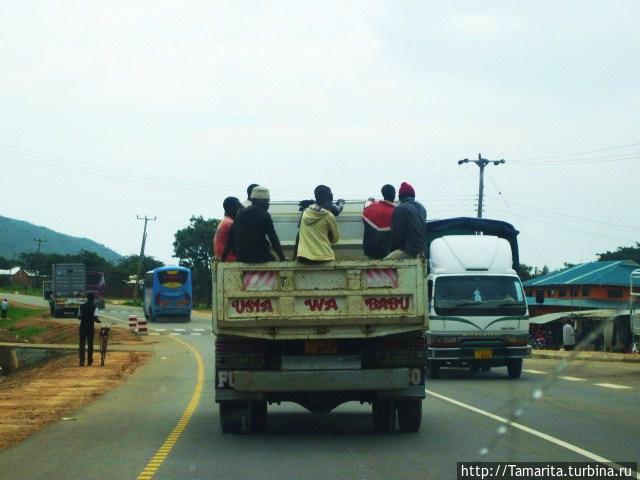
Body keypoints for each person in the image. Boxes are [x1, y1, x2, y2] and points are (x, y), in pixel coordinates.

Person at [222, 186, 286, 263]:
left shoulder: (240, 215)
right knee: (272, 258)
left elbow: (230, 241)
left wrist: (223, 259)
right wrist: (282, 258)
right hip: (261, 258)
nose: (268, 205)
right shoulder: (264, 215)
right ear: (257, 201)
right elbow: (273, 238)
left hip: (242, 259)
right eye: (266, 201)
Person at [296, 185, 340, 263]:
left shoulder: (305, 212)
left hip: (304, 258)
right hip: (324, 257)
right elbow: (335, 239)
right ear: (329, 197)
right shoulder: (328, 215)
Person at [384, 182, 427, 259]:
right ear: (413, 196)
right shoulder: (422, 208)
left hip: (408, 251)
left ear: (400, 197)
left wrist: (390, 250)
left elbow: (397, 235)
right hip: (422, 252)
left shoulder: (400, 209)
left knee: (383, 265)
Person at [362, 184, 395, 259]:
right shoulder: (396, 211)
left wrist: (370, 200)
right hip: (388, 253)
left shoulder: (370, 208)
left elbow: (365, 208)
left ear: (383, 193)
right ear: (394, 194)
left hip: (370, 252)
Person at [213, 196, 241, 261]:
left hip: (221, 259)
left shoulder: (224, 222)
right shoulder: (230, 223)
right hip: (230, 259)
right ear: (231, 208)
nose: (239, 210)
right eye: (238, 207)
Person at [78, 292, 101, 366]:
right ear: (93, 299)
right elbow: (95, 317)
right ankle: (89, 361)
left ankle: (81, 361)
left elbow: (79, 317)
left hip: (82, 327)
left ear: (87, 298)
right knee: (90, 344)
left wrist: (84, 316)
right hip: (90, 328)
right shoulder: (95, 307)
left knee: (82, 344)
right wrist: (99, 321)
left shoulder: (81, 306)